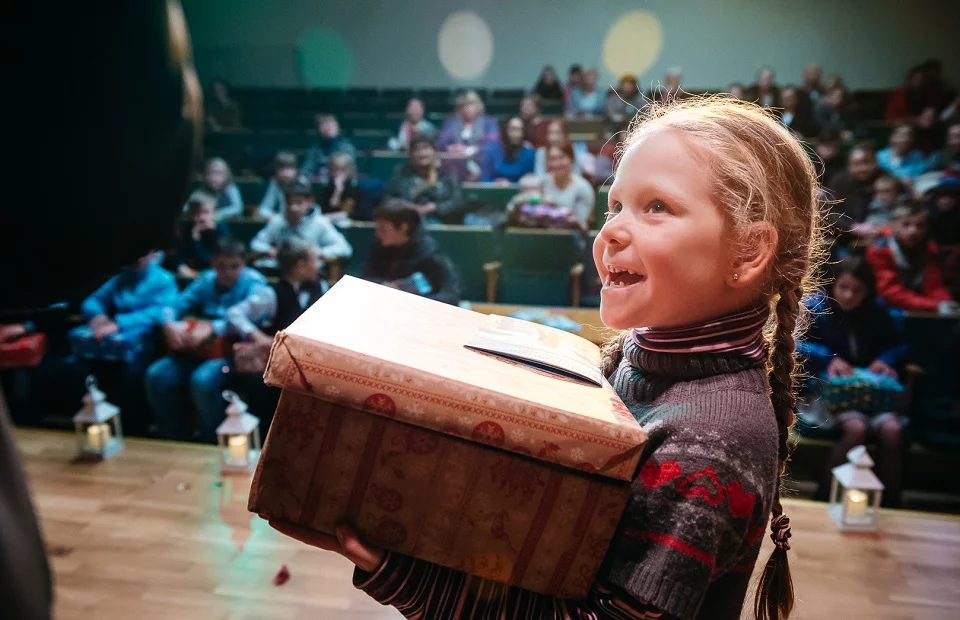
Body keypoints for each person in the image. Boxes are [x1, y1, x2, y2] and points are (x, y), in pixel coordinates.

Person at [271, 96, 824, 620]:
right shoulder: (632, 360)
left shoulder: (715, 446)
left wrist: (407, 576)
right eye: (614, 204)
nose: (610, 231)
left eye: (658, 207)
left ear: (749, 251)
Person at [797, 256, 909, 507]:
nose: (848, 295)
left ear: (868, 291)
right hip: (827, 392)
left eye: (857, 290)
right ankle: (825, 497)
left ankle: (892, 502)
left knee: (892, 431)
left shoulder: (878, 312)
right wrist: (827, 358)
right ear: (833, 285)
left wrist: (885, 360)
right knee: (856, 427)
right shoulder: (817, 308)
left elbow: (899, 345)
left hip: (870, 392)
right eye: (843, 287)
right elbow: (794, 343)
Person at [145, 239, 268, 442]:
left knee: (202, 381)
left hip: (232, 353)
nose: (227, 272)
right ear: (213, 263)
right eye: (221, 266)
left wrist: (212, 328)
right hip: (194, 348)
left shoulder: (254, 282)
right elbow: (172, 306)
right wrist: (168, 324)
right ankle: (174, 440)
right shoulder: (206, 280)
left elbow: (249, 319)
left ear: (244, 264)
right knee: (156, 375)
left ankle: (211, 442)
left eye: (234, 266)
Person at [228, 238, 326, 346]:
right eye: (316, 260)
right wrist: (258, 336)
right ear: (301, 266)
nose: (319, 265)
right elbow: (234, 314)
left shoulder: (322, 287)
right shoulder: (271, 294)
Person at [363, 199, 461, 305]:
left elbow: (451, 295)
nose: (378, 234)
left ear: (403, 227)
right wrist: (385, 286)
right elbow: (367, 279)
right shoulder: (379, 248)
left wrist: (408, 298)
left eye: (383, 230)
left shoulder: (429, 253)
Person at [867, 201, 958, 313]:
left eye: (920, 226)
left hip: (915, 299)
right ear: (894, 225)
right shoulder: (880, 250)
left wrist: (946, 302)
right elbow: (889, 291)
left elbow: (933, 285)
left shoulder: (929, 248)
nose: (913, 231)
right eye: (906, 224)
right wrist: (935, 306)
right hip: (886, 304)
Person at [250, 175, 353, 262]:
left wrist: (319, 253)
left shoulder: (320, 223)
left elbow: (344, 249)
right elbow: (256, 243)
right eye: (289, 203)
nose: (293, 208)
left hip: (310, 273)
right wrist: (269, 250)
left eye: (298, 203)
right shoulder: (278, 221)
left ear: (310, 202)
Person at [385, 136, 460, 223]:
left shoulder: (447, 173)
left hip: (441, 220)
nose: (422, 153)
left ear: (435, 152)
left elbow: (456, 201)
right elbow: (388, 199)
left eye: (426, 148)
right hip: (407, 220)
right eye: (416, 150)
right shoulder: (401, 173)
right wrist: (407, 206)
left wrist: (435, 207)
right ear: (411, 155)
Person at [170, 191, 232, 278]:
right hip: (190, 271)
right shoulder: (187, 227)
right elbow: (178, 255)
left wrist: (197, 239)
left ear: (215, 213)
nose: (201, 217)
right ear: (190, 214)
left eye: (206, 212)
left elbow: (209, 261)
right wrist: (181, 266)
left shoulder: (221, 229)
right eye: (196, 213)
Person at [826, 145, 881, 234]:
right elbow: (829, 213)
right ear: (849, 165)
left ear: (876, 162)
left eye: (867, 162)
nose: (863, 168)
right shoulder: (839, 182)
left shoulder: (886, 180)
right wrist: (853, 227)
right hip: (846, 235)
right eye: (857, 164)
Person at [542, 143, 595, 230]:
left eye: (561, 158)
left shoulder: (583, 188)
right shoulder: (543, 183)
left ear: (571, 159)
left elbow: (580, 221)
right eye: (552, 159)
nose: (557, 163)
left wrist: (554, 208)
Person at [435, 90, 499, 155]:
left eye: (471, 105)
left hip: (482, 160)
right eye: (463, 106)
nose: (467, 109)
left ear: (478, 106)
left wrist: (472, 150)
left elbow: (493, 144)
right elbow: (440, 142)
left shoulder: (489, 122)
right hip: (456, 159)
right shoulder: (451, 122)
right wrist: (450, 148)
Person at [481, 116, 535, 183]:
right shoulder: (491, 151)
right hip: (494, 191)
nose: (518, 134)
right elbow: (484, 180)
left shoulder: (529, 154)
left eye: (521, 130)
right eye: (513, 129)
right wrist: (495, 183)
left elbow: (530, 181)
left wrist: (510, 183)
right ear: (505, 130)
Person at [301, 114, 356, 181]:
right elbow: (306, 171)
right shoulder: (315, 148)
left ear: (337, 127)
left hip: (341, 183)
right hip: (318, 185)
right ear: (318, 129)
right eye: (324, 124)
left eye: (331, 124)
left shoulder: (346, 146)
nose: (328, 127)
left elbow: (345, 172)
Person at [316, 152, 364, 223]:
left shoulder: (355, 189)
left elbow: (356, 213)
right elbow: (325, 211)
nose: (338, 173)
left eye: (342, 169)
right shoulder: (326, 189)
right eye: (335, 169)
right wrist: (337, 192)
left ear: (350, 170)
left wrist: (335, 216)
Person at [257, 151, 298, 219]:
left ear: (295, 169)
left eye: (289, 168)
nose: (285, 173)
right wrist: (276, 219)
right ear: (276, 170)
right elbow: (263, 210)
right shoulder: (275, 183)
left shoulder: (302, 183)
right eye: (281, 168)